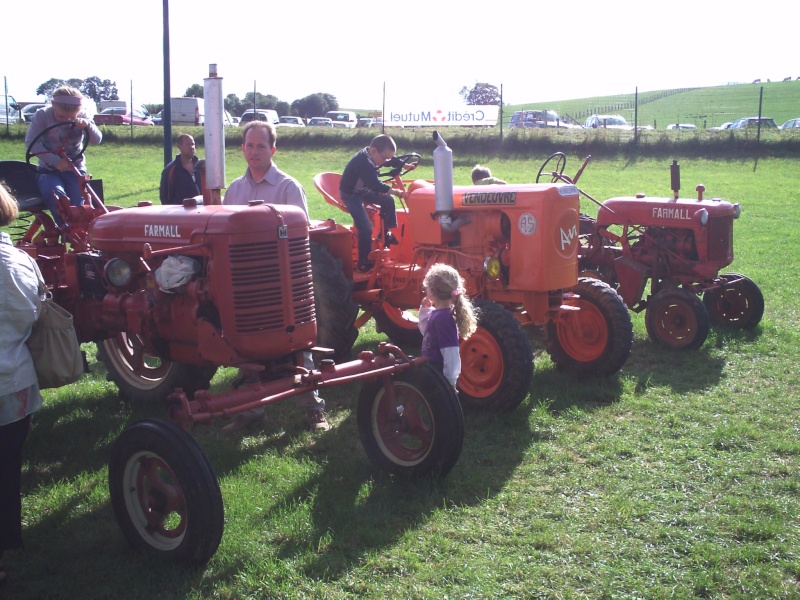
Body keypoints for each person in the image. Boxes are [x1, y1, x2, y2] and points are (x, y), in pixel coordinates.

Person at [222, 121, 328, 433]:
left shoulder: (287, 188)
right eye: (249, 146)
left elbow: (300, 236)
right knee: (244, 345)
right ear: (243, 148)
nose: (254, 152)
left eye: (261, 146)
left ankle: (313, 409)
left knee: (297, 343)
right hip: (246, 280)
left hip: (282, 279)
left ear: (273, 150)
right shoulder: (235, 190)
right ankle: (251, 411)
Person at [0, 183, 45, 587]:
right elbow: (34, 315)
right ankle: (6, 541)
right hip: (11, 381)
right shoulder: (19, 262)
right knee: (8, 465)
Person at [24, 86, 102, 227]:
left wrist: (87, 126)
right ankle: (65, 231)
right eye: (61, 117)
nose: (67, 119)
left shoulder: (83, 115)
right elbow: (31, 143)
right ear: (53, 106)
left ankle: (78, 235)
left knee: (78, 202)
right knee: (56, 195)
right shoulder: (42, 115)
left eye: (71, 117)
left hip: (75, 169)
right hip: (48, 170)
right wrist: (55, 161)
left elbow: (97, 140)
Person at [339, 134, 412, 272]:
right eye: (384, 158)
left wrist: (405, 165)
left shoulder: (374, 155)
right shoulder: (362, 163)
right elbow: (376, 185)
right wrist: (398, 192)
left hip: (363, 190)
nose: (385, 161)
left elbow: (390, 160)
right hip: (351, 195)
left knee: (388, 201)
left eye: (387, 158)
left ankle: (385, 233)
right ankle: (363, 262)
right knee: (365, 227)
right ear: (373, 151)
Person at [418, 264, 477, 390]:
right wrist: (425, 310)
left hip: (438, 375)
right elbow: (427, 333)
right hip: (431, 371)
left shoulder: (444, 319)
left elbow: (451, 352)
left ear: (432, 292)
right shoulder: (439, 314)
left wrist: (450, 381)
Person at [159, 134, 202, 204]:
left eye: (193, 144)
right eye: (188, 144)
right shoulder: (171, 170)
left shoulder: (201, 167)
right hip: (181, 212)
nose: (191, 147)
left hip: (202, 211)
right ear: (179, 146)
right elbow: (165, 197)